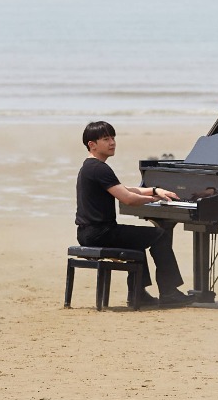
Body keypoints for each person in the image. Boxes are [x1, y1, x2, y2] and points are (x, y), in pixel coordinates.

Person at [74, 121, 194, 307]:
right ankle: (169, 292)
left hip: (88, 232)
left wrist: (155, 190)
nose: (112, 142)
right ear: (92, 144)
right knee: (160, 236)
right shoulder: (99, 168)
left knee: (138, 240)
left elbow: (126, 189)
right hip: (100, 232)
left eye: (113, 138)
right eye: (106, 139)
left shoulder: (90, 167)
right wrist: (155, 200)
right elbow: (128, 198)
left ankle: (139, 293)